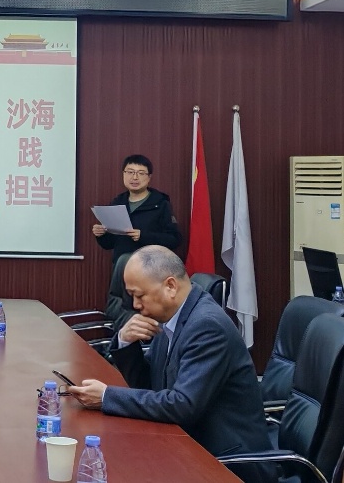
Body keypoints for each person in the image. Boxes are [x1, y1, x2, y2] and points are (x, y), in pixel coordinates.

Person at [70, 246, 274, 483]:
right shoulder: (173, 317)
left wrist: (107, 396)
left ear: (170, 286)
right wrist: (126, 342)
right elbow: (150, 385)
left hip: (226, 462)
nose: (135, 305)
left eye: (139, 295)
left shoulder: (207, 326)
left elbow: (182, 406)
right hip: (187, 443)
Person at [92, 154, 181, 265]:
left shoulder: (160, 203)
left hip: (150, 267)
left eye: (141, 173)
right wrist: (101, 234)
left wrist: (143, 236)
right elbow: (109, 244)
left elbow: (174, 240)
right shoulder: (117, 202)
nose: (135, 177)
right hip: (122, 266)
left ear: (149, 177)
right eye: (130, 172)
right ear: (123, 174)